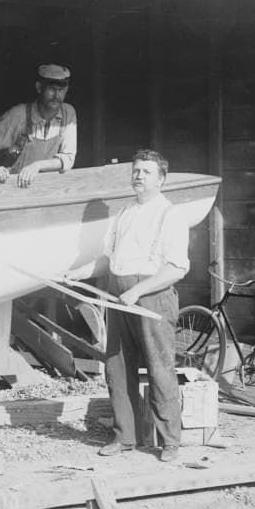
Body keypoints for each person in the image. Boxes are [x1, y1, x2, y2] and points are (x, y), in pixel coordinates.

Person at [64, 149, 188, 463]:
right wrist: (78, 272)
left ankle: (170, 441)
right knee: (117, 368)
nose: (138, 176)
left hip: (152, 297)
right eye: (135, 170)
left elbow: (177, 267)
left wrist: (139, 291)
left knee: (160, 369)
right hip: (119, 296)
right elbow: (109, 259)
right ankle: (125, 436)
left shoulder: (169, 214)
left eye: (146, 172)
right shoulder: (125, 212)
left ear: (161, 179)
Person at [0, 64, 77, 188]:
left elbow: (68, 158)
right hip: (14, 190)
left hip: (47, 189)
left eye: (61, 90)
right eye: (52, 89)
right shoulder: (19, 115)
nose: (56, 96)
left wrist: (36, 166)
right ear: (39, 88)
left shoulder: (68, 113)